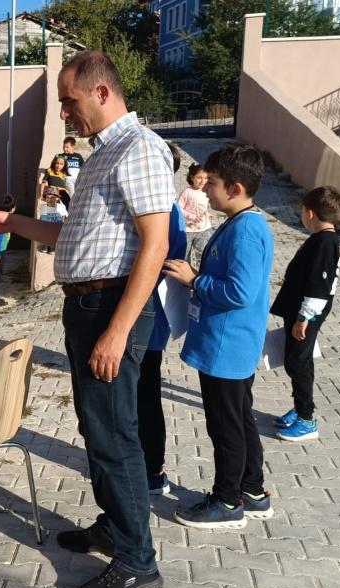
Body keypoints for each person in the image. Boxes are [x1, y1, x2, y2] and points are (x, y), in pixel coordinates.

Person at [0, 51, 171, 588]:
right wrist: (10, 222)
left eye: (70, 101)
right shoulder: (101, 156)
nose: (65, 113)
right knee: (98, 428)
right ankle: (116, 526)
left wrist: (116, 331)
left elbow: (154, 247)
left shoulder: (138, 150)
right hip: (87, 306)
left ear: (102, 93)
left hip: (111, 308)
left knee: (115, 435)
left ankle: (137, 559)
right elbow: (71, 239)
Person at [162, 144, 275, 530]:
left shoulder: (245, 231)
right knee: (240, 418)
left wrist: (195, 280)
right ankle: (253, 491)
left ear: (236, 187)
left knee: (225, 425)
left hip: (226, 346)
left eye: (212, 183)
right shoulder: (244, 223)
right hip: (233, 344)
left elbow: (240, 292)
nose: (206, 190)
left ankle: (228, 502)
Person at [270, 186, 340, 442]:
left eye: (302, 210)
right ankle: (303, 408)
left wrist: (304, 318)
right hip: (302, 311)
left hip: (307, 314)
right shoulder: (322, 239)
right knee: (299, 360)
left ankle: (306, 420)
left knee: (297, 363)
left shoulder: (325, 242)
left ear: (310, 213)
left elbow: (319, 286)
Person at [138, 145, 188, 497]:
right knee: (142, 394)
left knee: (144, 396)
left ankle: (153, 470)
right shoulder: (167, 209)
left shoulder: (166, 211)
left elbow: (166, 262)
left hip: (148, 318)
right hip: (148, 318)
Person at [177, 163, 214, 268]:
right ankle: (184, 276)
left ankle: (200, 274)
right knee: (184, 254)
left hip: (204, 229)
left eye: (206, 178)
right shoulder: (187, 192)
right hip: (188, 230)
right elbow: (179, 209)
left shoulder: (206, 191)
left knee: (202, 253)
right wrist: (191, 216)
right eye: (199, 178)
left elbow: (203, 206)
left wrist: (207, 214)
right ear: (192, 177)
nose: (203, 181)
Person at [36, 186, 68, 254]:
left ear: (56, 198)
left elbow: (64, 217)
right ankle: (45, 245)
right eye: (47, 197)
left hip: (56, 227)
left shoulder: (60, 207)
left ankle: (52, 246)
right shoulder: (43, 207)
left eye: (52, 198)